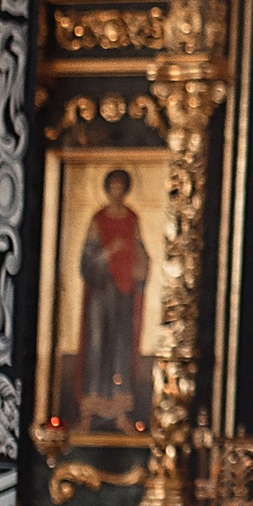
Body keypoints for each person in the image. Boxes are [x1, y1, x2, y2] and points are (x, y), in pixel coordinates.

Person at [69, 170, 153, 430]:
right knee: (96, 345)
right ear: (107, 189)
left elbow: (140, 252)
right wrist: (107, 253)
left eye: (120, 187)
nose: (116, 191)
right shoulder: (98, 220)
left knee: (120, 348)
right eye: (112, 187)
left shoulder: (132, 219)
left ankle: (120, 413)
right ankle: (88, 411)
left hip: (124, 294)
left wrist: (141, 263)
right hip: (100, 292)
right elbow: (86, 260)